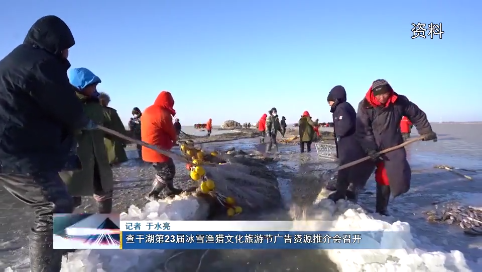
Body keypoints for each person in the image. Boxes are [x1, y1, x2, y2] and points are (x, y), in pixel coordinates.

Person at [0, 15, 96, 272]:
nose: (67, 54)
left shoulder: (19, 59)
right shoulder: (40, 63)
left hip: (19, 147)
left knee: (65, 200)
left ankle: (67, 249)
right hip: (14, 152)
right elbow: (64, 104)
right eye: (66, 47)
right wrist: (81, 120)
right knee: (53, 205)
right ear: (55, 43)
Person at [357, 79, 437, 215]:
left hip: (392, 145)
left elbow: (416, 114)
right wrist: (370, 148)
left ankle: (381, 209)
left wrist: (425, 131)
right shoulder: (365, 105)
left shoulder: (399, 101)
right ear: (373, 94)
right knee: (357, 173)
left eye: (385, 94)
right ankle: (349, 199)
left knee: (389, 176)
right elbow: (362, 129)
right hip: (370, 145)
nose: (382, 98)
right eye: (378, 95)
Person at [61, 68, 114, 215]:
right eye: (91, 85)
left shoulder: (95, 103)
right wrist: (77, 125)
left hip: (97, 156)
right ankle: (64, 233)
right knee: (70, 197)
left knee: (104, 191)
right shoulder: (65, 103)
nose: (94, 89)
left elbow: (105, 125)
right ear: (80, 86)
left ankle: (105, 230)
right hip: (75, 158)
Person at [325, 86, 375, 203]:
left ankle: (341, 193)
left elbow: (345, 126)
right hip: (348, 143)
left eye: (330, 101)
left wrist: (338, 132)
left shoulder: (341, 107)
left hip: (348, 144)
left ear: (336, 98)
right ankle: (347, 191)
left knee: (345, 168)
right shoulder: (343, 107)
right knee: (347, 169)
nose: (329, 104)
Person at [142, 91, 182, 199]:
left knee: (168, 167)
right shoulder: (162, 113)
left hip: (149, 147)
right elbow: (171, 131)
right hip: (158, 149)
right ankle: (153, 193)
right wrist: (175, 140)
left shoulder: (148, 110)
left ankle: (170, 190)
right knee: (167, 171)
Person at [98, 92, 128, 166]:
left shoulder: (94, 112)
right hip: (114, 141)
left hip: (100, 143)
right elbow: (119, 127)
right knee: (115, 162)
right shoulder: (112, 112)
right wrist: (123, 140)